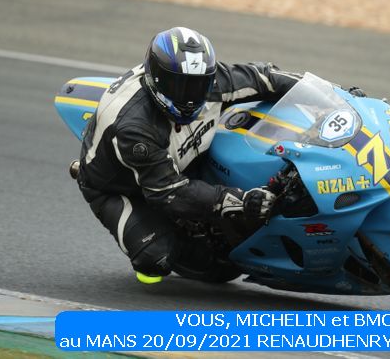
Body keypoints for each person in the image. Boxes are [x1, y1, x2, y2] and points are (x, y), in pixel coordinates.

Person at [75, 26, 365, 283]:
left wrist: (335, 97)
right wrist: (240, 200)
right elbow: (169, 193)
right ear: (157, 80)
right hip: (123, 188)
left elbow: (266, 77)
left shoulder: (212, 81)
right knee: (156, 260)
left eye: (198, 85)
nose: (191, 96)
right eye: (180, 87)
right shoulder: (135, 130)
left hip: (184, 156)